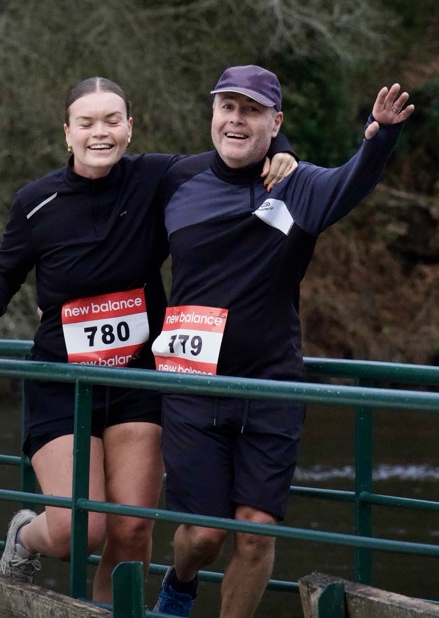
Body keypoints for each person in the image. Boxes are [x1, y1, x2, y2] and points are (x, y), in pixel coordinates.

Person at [0, 77, 296, 601]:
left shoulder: (158, 177)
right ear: (67, 132)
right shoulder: (35, 200)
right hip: (63, 379)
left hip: (138, 378)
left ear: (129, 128)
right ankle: (25, 535)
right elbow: (6, 266)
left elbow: (234, 149)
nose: (100, 132)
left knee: (132, 530)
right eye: (86, 122)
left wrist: (284, 148)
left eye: (112, 121)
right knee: (77, 532)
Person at [151, 65, 413, 617]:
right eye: (227, 107)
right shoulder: (177, 178)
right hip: (191, 384)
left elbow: (352, 180)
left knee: (255, 534)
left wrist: (380, 138)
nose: (236, 120)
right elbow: (107, 202)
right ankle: (179, 585)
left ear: (275, 122)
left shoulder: (298, 186)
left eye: (252, 111)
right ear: (212, 114)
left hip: (271, 388)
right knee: (202, 536)